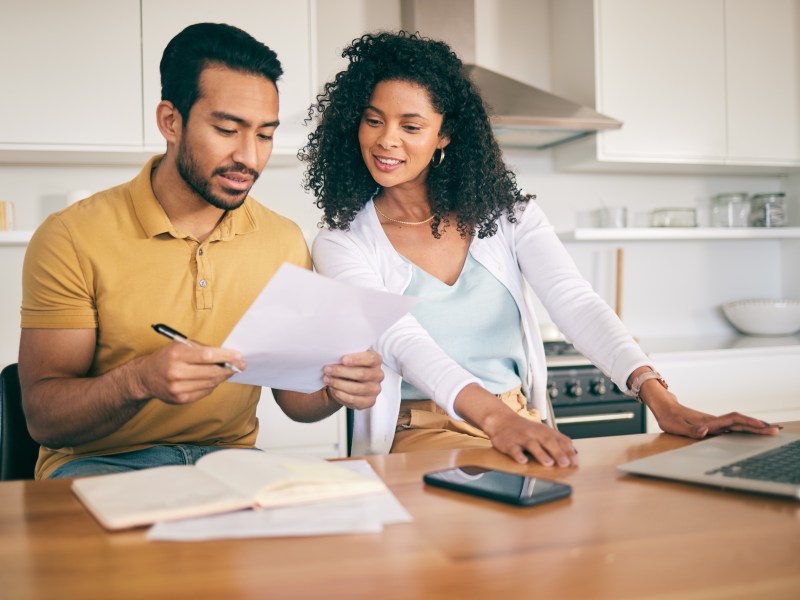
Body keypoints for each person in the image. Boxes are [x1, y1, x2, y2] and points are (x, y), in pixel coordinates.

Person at [300, 31, 778, 467]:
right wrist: (494, 420)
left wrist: (661, 401)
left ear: (443, 135)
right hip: (424, 432)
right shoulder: (342, 242)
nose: (387, 140)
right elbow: (401, 342)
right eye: (374, 121)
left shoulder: (509, 216)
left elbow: (576, 303)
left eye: (411, 126)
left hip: (519, 418)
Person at [19, 23, 383, 480]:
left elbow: (294, 401)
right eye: (227, 129)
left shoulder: (283, 240)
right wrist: (139, 381)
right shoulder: (71, 236)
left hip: (231, 464)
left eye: (265, 135)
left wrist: (337, 388)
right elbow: (43, 419)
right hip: (99, 465)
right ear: (171, 121)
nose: (249, 157)